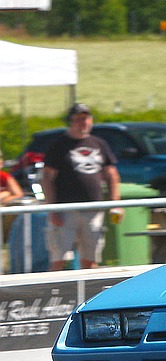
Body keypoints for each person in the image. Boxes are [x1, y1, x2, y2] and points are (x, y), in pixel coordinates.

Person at [41, 102, 122, 270]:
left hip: (93, 209)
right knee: (59, 259)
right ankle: (56, 287)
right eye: (78, 119)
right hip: (65, 210)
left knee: (91, 259)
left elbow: (111, 174)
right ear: (71, 121)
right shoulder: (59, 145)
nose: (83, 123)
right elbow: (47, 177)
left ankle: (89, 287)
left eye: (86, 119)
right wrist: (52, 208)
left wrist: (115, 203)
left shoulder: (99, 143)